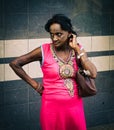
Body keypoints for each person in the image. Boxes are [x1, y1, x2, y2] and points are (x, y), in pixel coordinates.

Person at [9, 14, 97, 130]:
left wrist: (77, 49)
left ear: (69, 33)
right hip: (51, 108)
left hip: (74, 107)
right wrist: (36, 85)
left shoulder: (77, 49)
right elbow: (15, 64)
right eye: (52, 34)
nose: (54, 38)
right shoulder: (43, 50)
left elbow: (93, 73)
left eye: (58, 34)